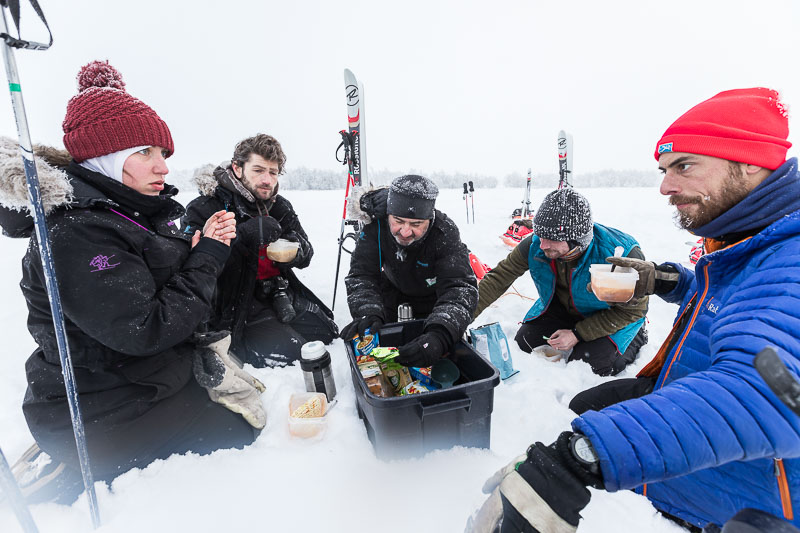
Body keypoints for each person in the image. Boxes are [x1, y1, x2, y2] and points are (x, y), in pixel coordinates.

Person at [466, 87, 800, 532]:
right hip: (689, 440)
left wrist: (586, 455)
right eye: (664, 169)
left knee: (596, 362)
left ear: (750, 162)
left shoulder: (787, 256)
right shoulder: (741, 241)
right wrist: (668, 280)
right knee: (560, 374)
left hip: (744, 492)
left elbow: (765, 393)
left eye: (684, 165)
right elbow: (722, 297)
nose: (664, 185)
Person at [10, 61, 259, 503]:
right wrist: (208, 255)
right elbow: (147, 328)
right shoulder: (78, 232)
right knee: (238, 432)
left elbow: (152, 275)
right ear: (105, 157)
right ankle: (71, 474)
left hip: (137, 379)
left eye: (163, 153)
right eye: (145, 151)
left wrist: (191, 249)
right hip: (102, 405)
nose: (162, 167)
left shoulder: (129, 212)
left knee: (242, 407)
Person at [182, 134, 337, 368]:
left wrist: (293, 248)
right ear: (237, 168)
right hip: (230, 300)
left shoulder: (279, 205)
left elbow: (307, 254)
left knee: (327, 333)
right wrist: (243, 234)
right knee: (295, 356)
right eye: (258, 170)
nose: (267, 180)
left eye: (273, 172)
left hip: (275, 290)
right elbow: (188, 266)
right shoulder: (205, 206)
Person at [475, 187, 648, 376]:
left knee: (590, 366)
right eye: (540, 235)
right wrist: (458, 322)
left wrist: (578, 334)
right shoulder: (536, 244)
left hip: (613, 316)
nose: (542, 245)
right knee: (525, 343)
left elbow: (634, 310)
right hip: (562, 310)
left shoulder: (621, 253)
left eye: (551, 239)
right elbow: (498, 278)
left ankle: (637, 338)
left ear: (577, 240)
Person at [342, 174, 478, 368]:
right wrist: (367, 310)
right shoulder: (376, 226)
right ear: (388, 214)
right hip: (391, 294)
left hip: (434, 300)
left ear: (429, 220)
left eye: (416, 225)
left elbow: (459, 288)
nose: (405, 232)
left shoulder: (445, 232)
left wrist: (440, 334)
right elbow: (362, 275)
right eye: (398, 221)